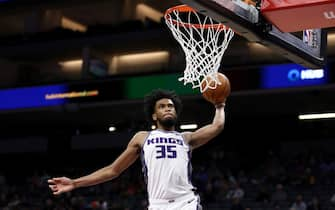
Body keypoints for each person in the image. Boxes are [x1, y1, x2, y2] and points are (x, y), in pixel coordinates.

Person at [48, 89, 226, 210]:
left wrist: (219, 105)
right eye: (162, 106)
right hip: (157, 205)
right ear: (154, 115)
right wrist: (75, 183)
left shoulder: (186, 138)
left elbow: (216, 126)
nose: (168, 108)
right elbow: (112, 170)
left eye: (171, 106)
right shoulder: (143, 138)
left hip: (186, 203)